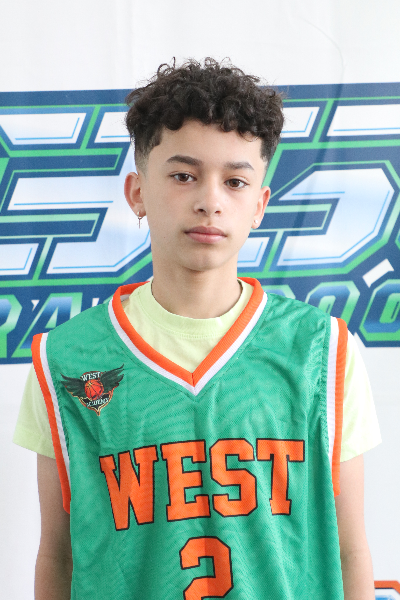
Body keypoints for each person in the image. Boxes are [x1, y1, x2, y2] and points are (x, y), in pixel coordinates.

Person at [14, 58, 381, 600]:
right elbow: (59, 555)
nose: (210, 201)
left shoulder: (323, 351)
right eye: (184, 176)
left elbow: (349, 550)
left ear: (259, 204)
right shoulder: (67, 360)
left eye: (235, 181)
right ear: (137, 192)